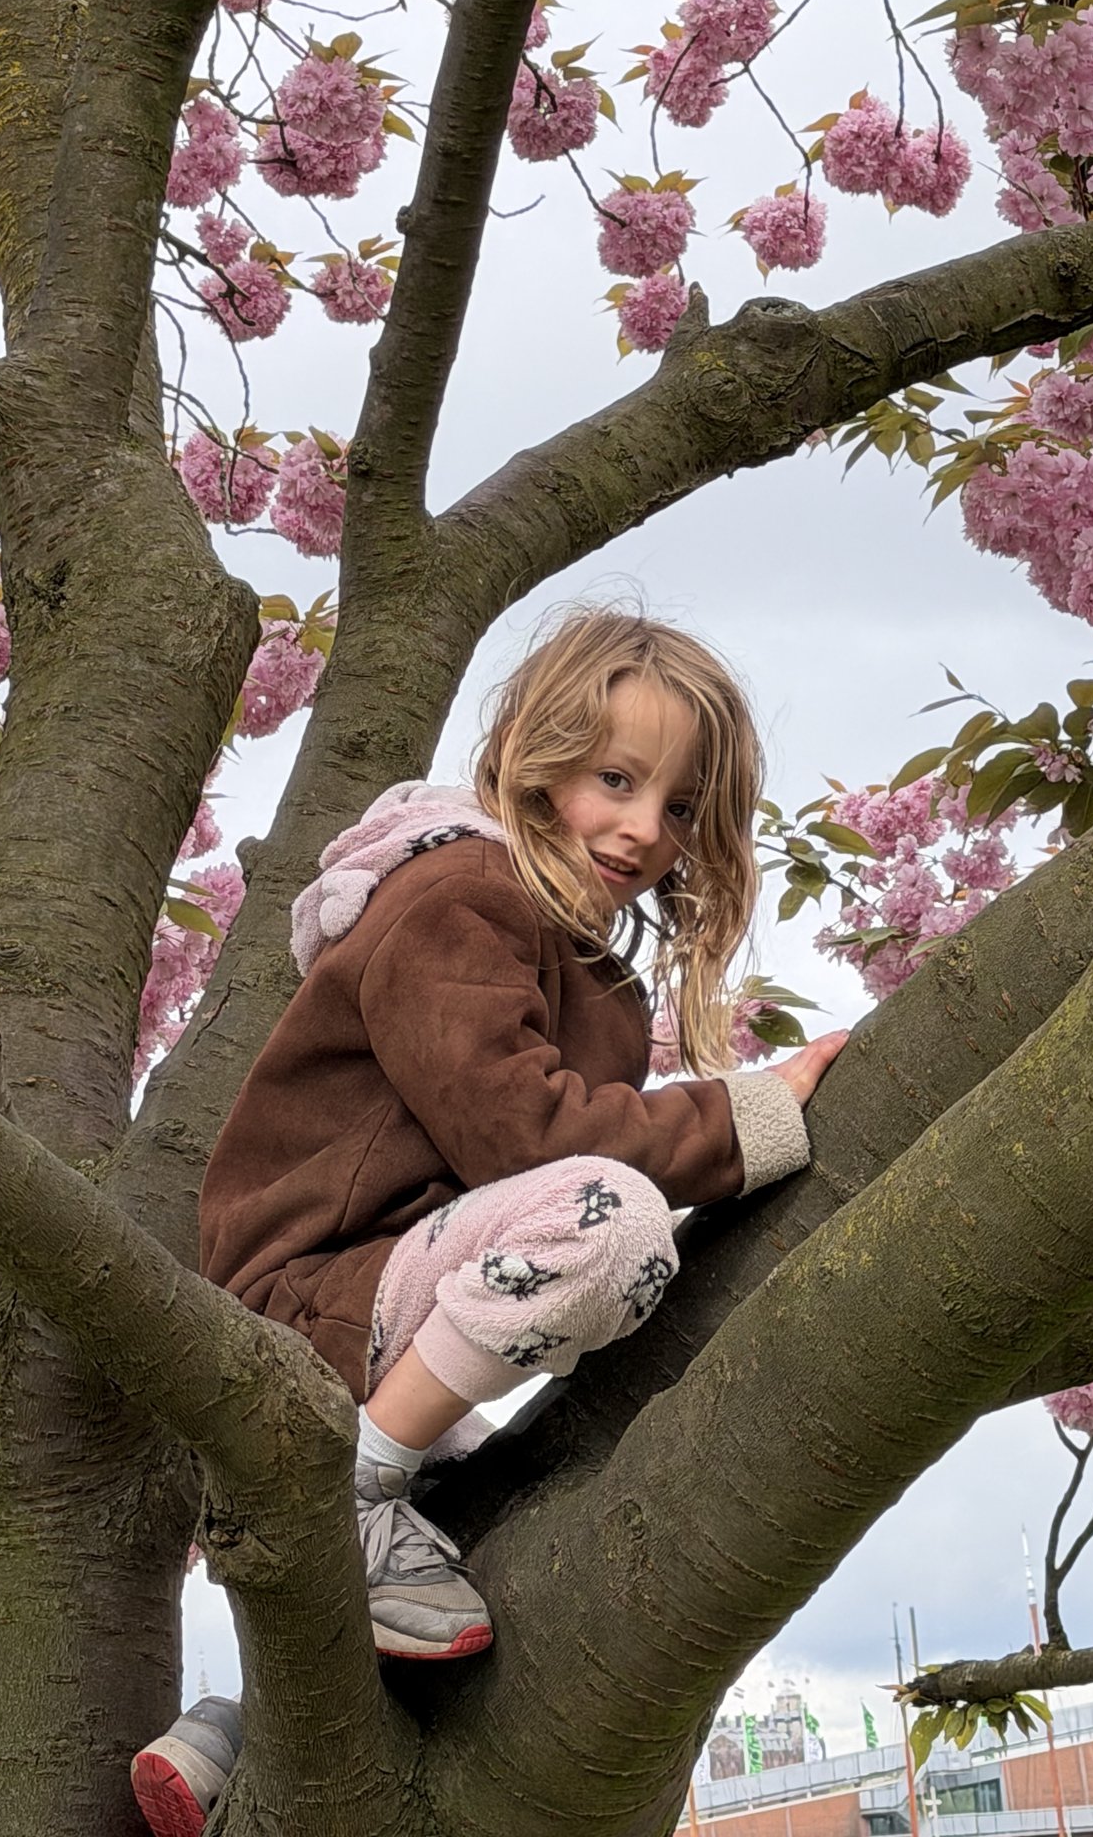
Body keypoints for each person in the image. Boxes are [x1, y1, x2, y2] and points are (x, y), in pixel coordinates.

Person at [131, 607, 848, 1835]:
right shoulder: (459, 896)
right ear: (532, 754)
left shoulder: (579, 956)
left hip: (390, 1299)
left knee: (474, 1598)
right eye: (614, 781)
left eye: (681, 809)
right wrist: (741, 1123)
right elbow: (526, 1141)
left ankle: (234, 1735)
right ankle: (351, 1496)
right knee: (613, 1221)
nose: (642, 830)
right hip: (309, 1296)